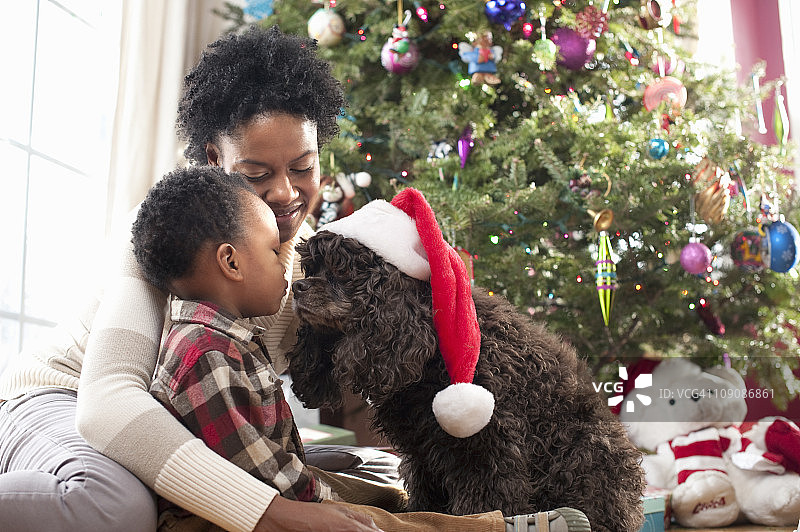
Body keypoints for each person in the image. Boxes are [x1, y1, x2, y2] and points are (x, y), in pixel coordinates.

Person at [0, 25, 588, 532]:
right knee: (114, 508)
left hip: (174, 421)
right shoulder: (174, 230)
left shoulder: (316, 259)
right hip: (61, 399)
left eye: (302, 168)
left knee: (367, 472)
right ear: (213, 160)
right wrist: (276, 514)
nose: (285, 193)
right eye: (257, 173)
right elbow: (106, 407)